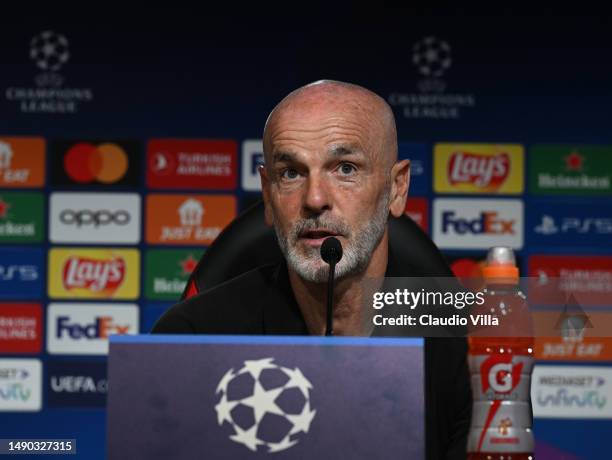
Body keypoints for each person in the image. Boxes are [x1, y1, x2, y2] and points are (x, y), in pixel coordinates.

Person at [152, 80, 471, 459]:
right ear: (268, 194)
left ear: (397, 188)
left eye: (345, 168)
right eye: (291, 173)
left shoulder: (471, 346)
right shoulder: (190, 339)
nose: (315, 198)